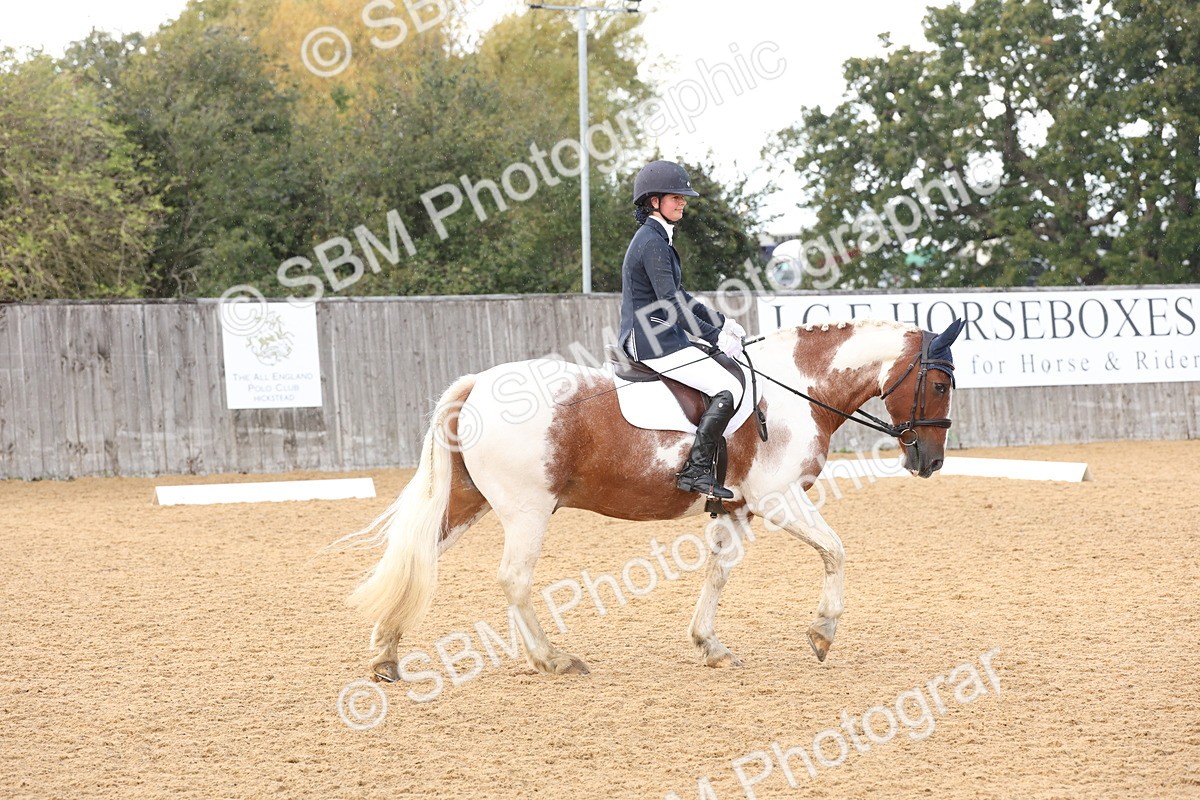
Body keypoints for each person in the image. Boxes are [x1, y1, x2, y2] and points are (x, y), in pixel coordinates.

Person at [617, 160, 747, 500]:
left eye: (683, 198)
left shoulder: (657, 238)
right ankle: (697, 470)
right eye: (676, 197)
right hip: (651, 340)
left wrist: (720, 321)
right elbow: (672, 306)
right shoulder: (653, 242)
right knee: (727, 388)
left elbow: (681, 297)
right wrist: (714, 337)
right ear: (653, 201)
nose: (683, 203)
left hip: (660, 335)